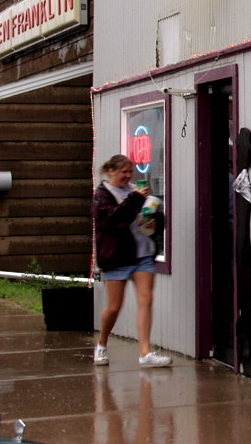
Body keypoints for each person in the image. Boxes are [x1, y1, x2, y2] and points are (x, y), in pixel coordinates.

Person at [91, 154, 171, 368]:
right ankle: (102, 344)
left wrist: (155, 218)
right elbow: (112, 220)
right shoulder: (103, 195)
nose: (128, 176)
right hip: (118, 257)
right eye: (124, 172)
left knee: (146, 300)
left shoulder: (135, 190)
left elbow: (150, 214)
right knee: (114, 307)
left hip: (143, 253)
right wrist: (136, 198)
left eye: (130, 171)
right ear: (111, 171)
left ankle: (145, 353)